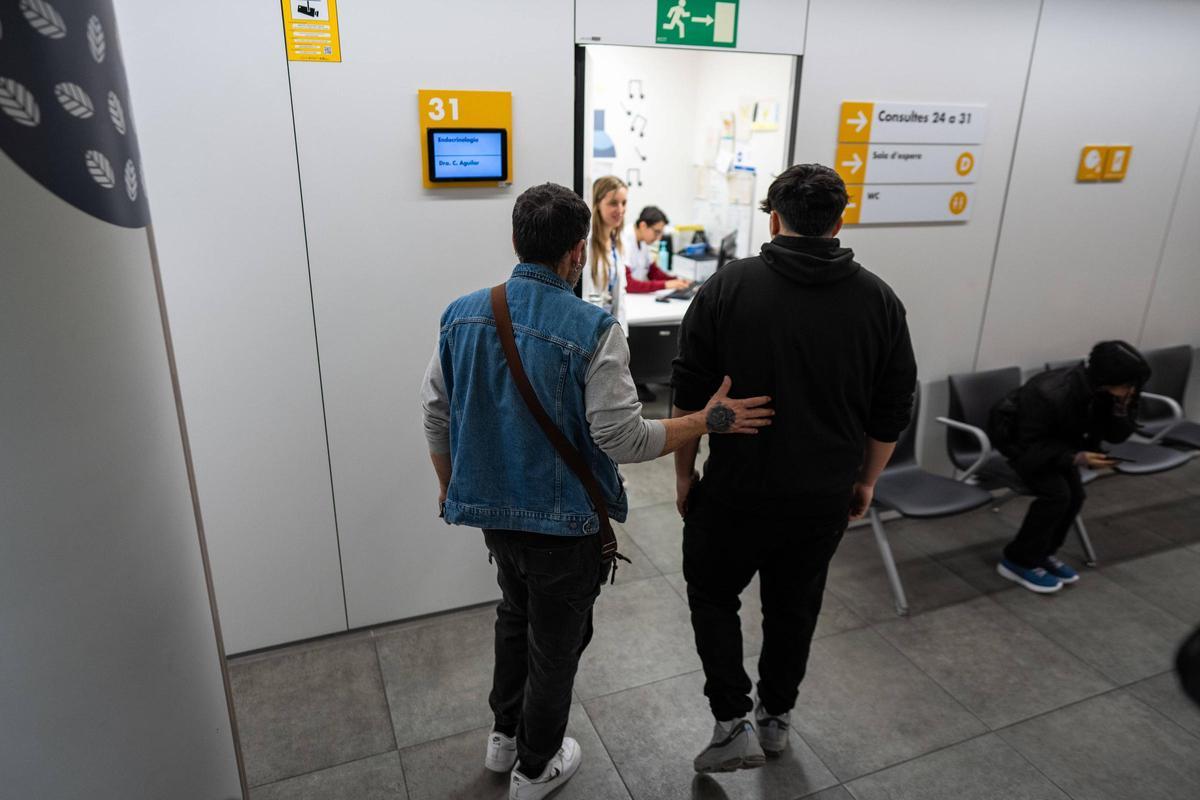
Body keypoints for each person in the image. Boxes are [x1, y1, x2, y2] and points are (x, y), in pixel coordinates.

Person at [420, 182, 773, 799]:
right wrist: (707, 420)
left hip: (491, 515)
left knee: (513, 616)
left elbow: (435, 414)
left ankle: (503, 741)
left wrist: (457, 492)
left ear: (514, 240)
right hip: (564, 525)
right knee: (556, 644)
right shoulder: (592, 329)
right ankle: (536, 767)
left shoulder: (462, 312)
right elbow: (624, 439)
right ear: (578, 251)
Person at [670, 164, 916, 773]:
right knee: (794, 605)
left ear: (773, 218)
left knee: (711, 594)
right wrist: (866, 481)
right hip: (822, 496)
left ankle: (731, 721)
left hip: (735, 492)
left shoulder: (728, 286)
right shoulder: (879, 300)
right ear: (841, 219)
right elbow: (892, 408)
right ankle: (776, 718)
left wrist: (684, 474)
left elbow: (688, 390)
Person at [987, 341, 1149, 594]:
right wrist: (1078, 458)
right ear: (1110, 377)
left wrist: (1121, 409)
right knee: (1057, 496)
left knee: (1075, 496)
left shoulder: (1106, 393)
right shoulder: (1049, 392)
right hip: (1020, 448)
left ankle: (1041, 554)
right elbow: (1030, 445)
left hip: (1059, 449)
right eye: (1128, 385)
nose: (1132, 390)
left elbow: (1116, 436)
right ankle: (1016, 561)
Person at [582, 175, 629, 331]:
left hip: (611, 327)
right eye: (613, 203)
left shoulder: (618, 241)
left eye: (624, 203)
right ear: (597, 204)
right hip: (590, 329)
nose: (620, 209)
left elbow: (619, 294)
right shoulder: (586, 244)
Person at [624, 206, 692, 294]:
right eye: (657, 232)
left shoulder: (643, 240)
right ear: (643, 225)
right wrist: (666, 284)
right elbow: (628, 284)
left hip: (636, 295)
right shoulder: (624, 241)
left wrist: (677, 281)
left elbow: (653, 272)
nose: (659, 238)